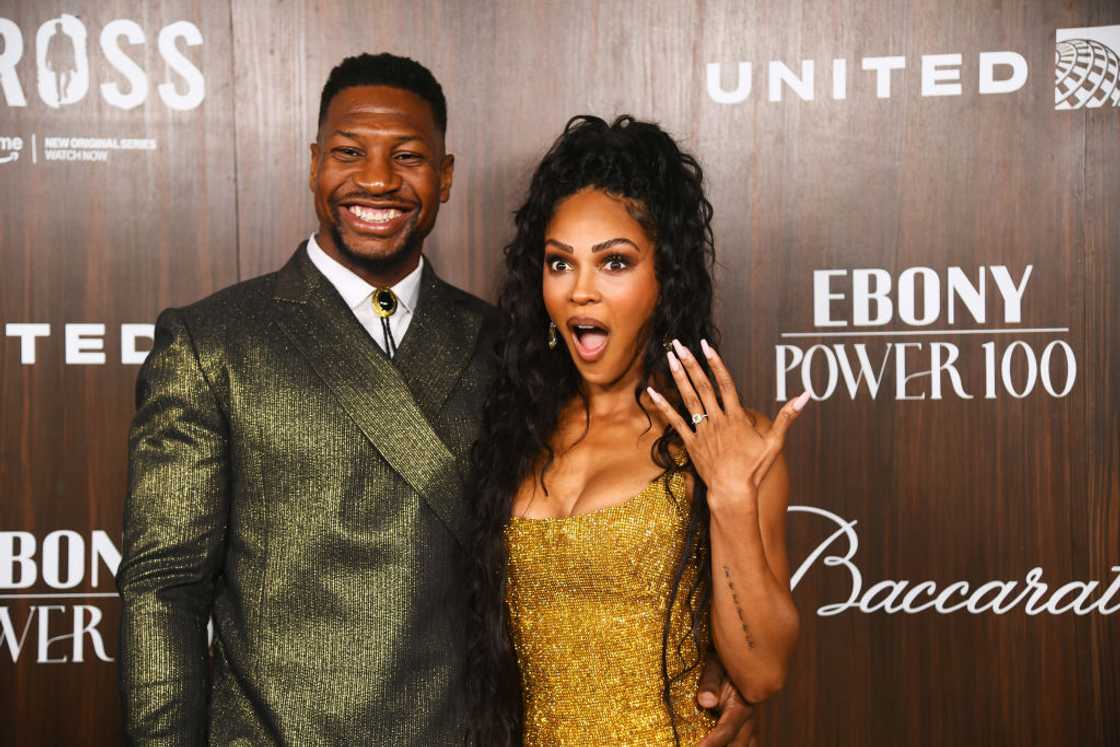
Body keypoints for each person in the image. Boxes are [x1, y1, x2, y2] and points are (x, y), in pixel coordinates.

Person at [117, 54, 753, 745]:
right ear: (313, 164)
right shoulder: (214, 343)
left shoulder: (510, 345)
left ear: (445, 177)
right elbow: (164, 589)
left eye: (409, 156)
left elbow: (598, 533)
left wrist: (713, 661)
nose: (377, 179)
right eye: (349, 151)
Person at [467, 115, 807, 746]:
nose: (581, 292)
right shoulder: (506, 431)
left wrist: (730, 495)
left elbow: (760, 675)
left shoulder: (727, 440)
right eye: (559, 264)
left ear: (663, 280)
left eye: (615, 263)